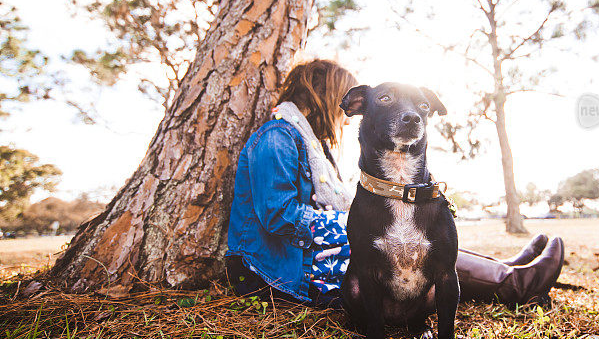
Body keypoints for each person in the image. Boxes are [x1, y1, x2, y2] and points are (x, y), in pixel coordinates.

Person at [226, 59, 564, 308]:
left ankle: (508, 267)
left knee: (420, 237)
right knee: (399, 243)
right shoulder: (277, 137)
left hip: (307, 253)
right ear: (324, 96)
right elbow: (278, 215)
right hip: (275, 269)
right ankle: (514, 283)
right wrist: (352, 223)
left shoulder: (310, 144)